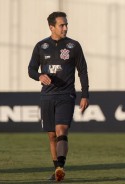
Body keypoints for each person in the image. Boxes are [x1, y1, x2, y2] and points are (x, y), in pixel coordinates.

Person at [28, 11, 89, 182]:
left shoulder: (73, 46)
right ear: (51, 27)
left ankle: (61, 166)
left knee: (61, 130)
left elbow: (82, 71)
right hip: (47, 96)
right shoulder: (41, 46)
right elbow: (31, 69)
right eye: (62, 25)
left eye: (66, 24)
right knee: (51, 135)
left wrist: (85, 94)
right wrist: (39, 75)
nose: (65, 28)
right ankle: (57, 171)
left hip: (66, 95)